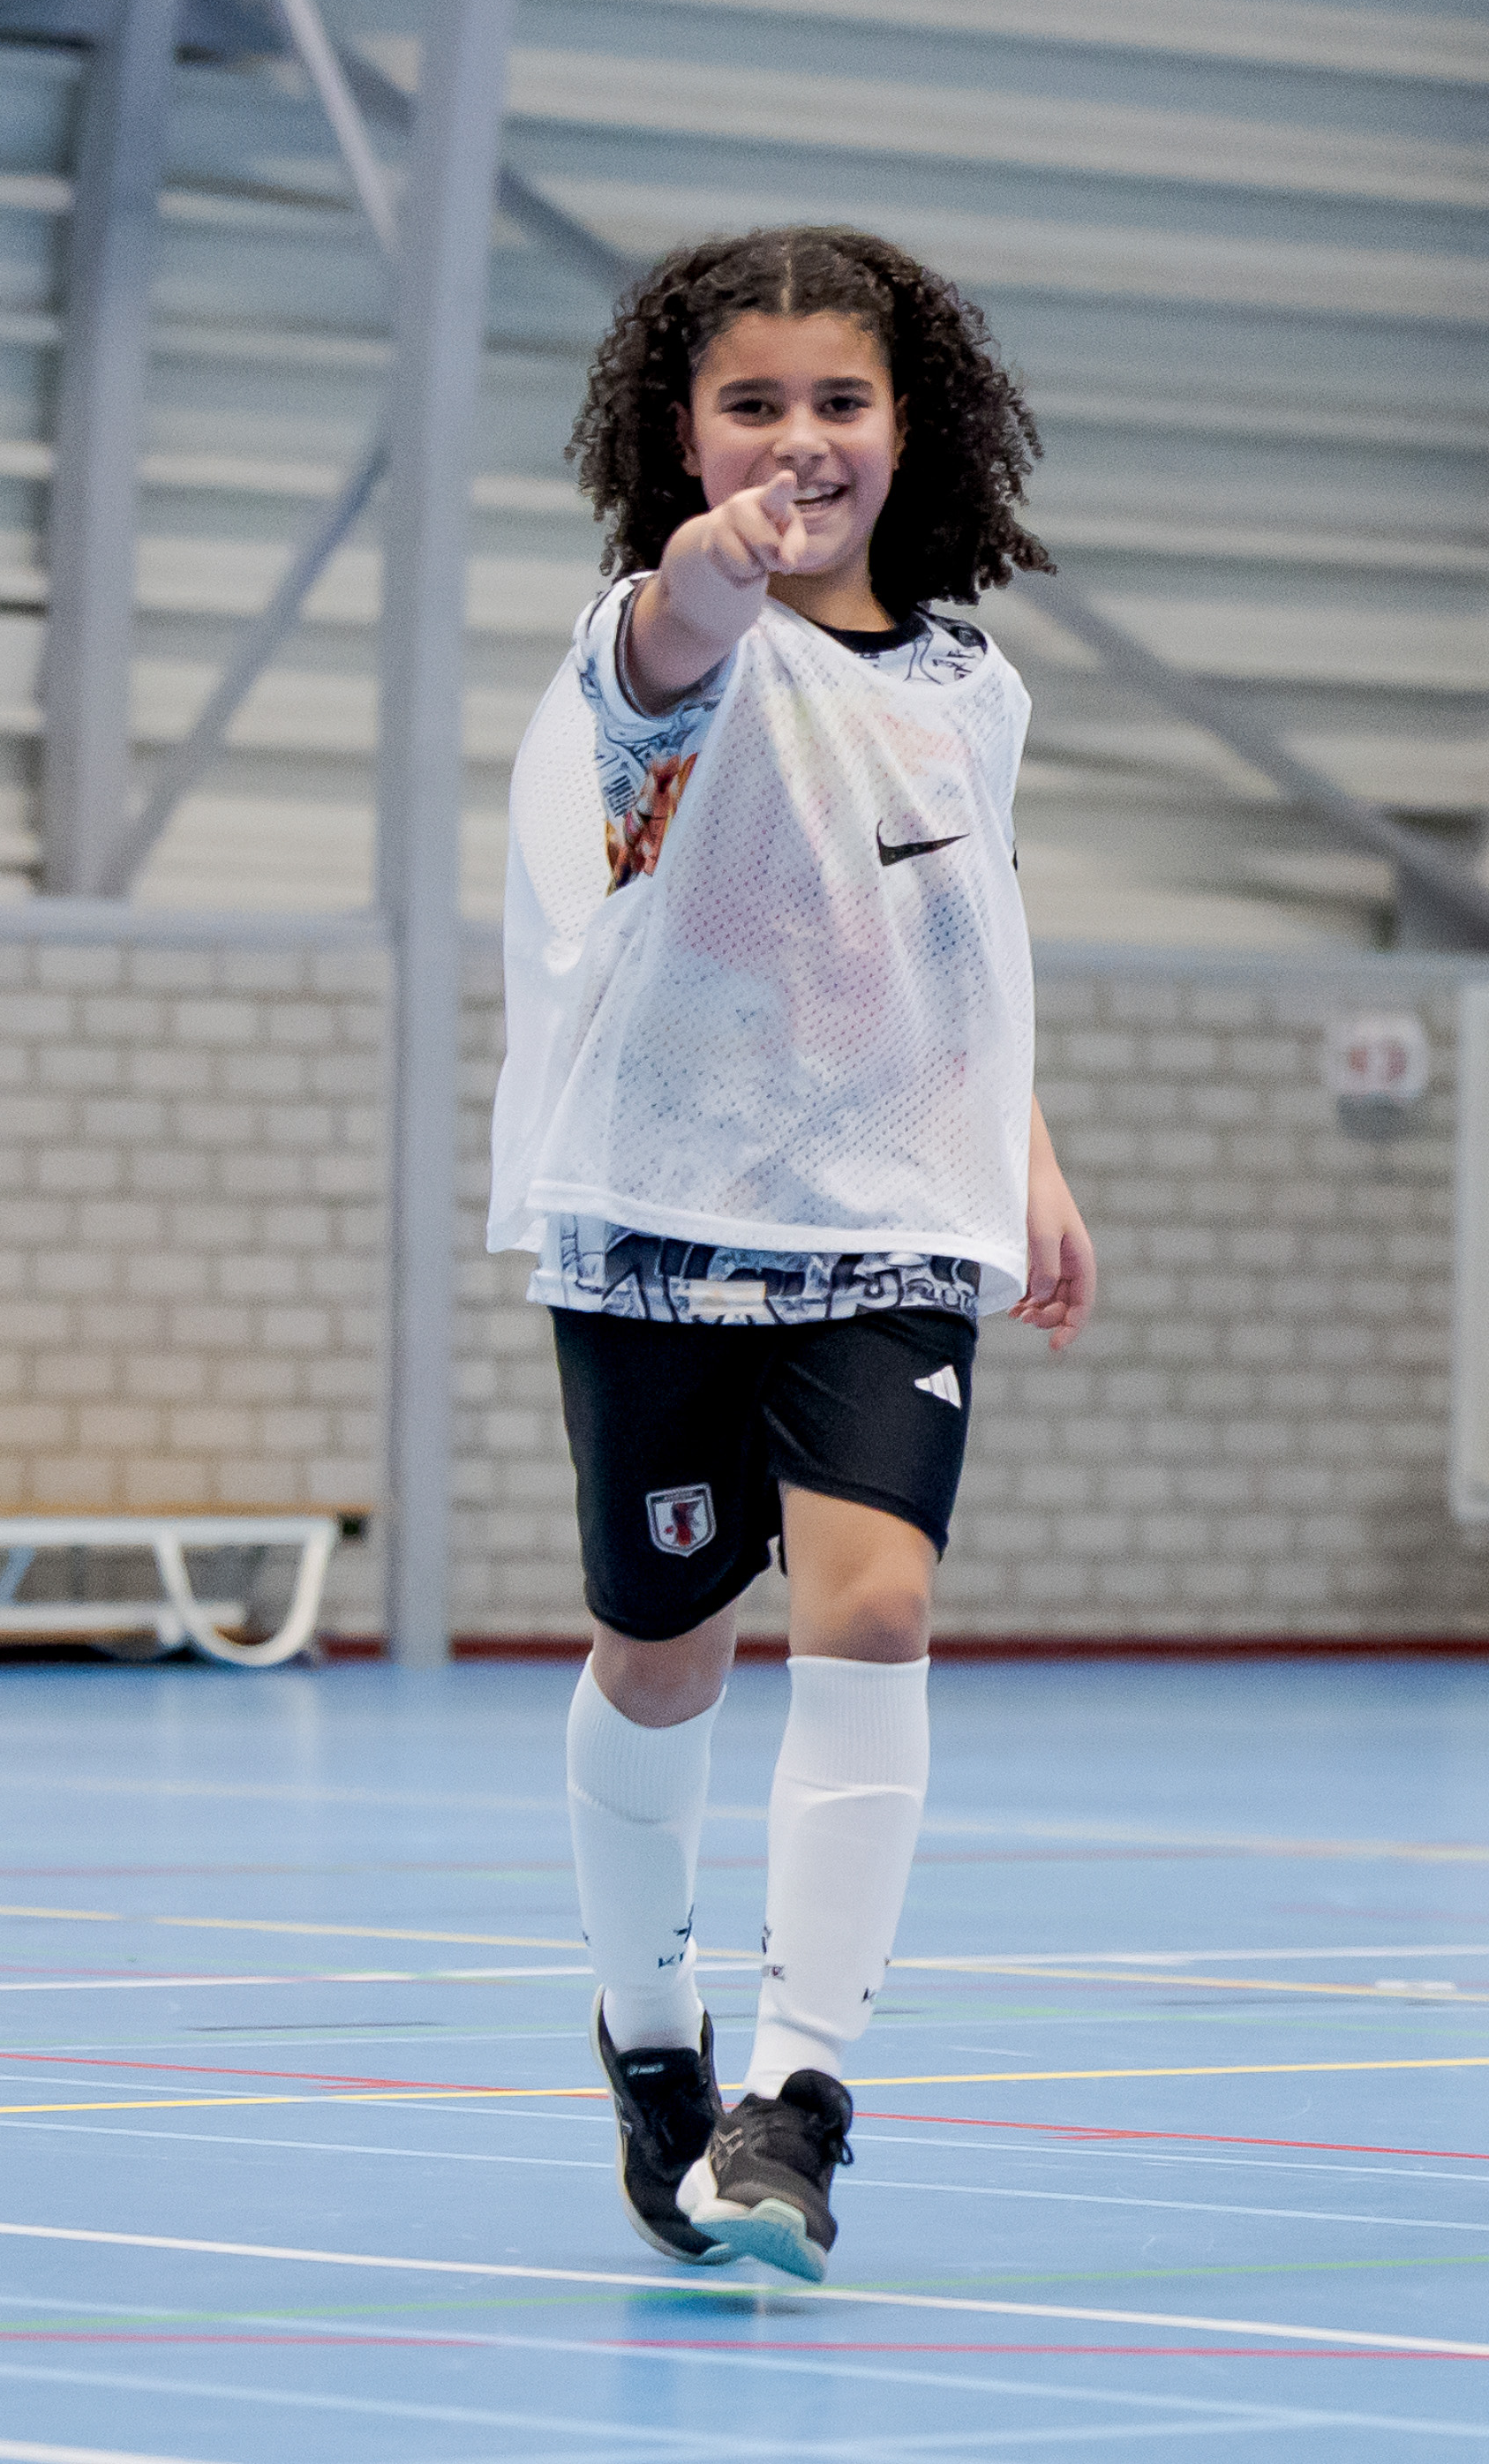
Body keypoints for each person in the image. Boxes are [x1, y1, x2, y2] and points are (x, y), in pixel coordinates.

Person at [491, 224, 1096, 2284]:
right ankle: (645, 2024)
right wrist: (711, 571)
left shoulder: (968, 689)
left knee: (879, 1600)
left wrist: (1021, 1151)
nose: (798, 437)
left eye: (837, 399)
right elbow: (673, 633)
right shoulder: (656, 644)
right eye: (749, 401)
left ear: (909, 426)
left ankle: (800, 2091)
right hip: (663, 1225)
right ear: (680, 430)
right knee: (661, 1646)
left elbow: (955, 950)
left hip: (885, 1236)